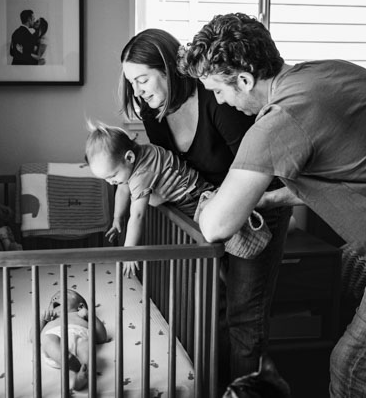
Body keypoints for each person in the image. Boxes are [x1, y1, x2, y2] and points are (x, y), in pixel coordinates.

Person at [179, 12, 366, 397]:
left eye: (218, 90)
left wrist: (207, 202)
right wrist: (267, 197)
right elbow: (349, 169)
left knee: (354, 369)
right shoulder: (325, 73)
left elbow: (216, 226)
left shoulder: (277, 120)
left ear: (245, 79)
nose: (219, 101)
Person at [117, 28, 292, 383]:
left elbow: (258, 171)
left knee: (245, 314)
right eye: (131, 83)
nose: (138, 91)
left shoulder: (216, 100)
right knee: (214, 307)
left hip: (258, 208)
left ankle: (247, 390)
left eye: (142, 79)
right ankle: (218, 385)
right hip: (208, 209)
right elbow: (174, 168)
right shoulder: (154, 111)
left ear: (166, 68)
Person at [85, 121, 271, 277]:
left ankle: (232, 263)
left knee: (216, 244)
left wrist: (129, 253)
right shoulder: (137, 158)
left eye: (112, 176)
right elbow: (122, 188)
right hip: (193, 194)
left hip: (195, 199)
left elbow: (138, 214)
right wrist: (117, 218)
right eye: (107, 179)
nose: (111, 182)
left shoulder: (142, 174)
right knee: (214, 247)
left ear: (129, 157)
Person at [36, 289, 107, 391]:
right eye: (52, 299)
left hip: (80, 335)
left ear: (80, 306)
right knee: (48, 339)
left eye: (63, 294)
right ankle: (65, 358)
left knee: (86, 345)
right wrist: (41, 319)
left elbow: (102, 337)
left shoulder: (80, 315)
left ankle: (81, 375)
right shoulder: (50, 319)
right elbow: (33, 338)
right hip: (55, 338)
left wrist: (90, 315)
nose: (55, 298)